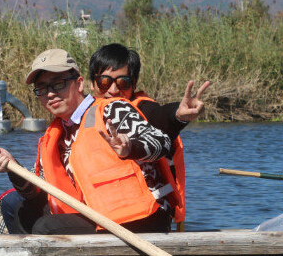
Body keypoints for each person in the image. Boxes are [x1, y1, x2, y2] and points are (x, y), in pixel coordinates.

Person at [0, 48, 179, 235]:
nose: (50, 93)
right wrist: (12, 167)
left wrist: (130, 148)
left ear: (79, 83)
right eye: (42, 87)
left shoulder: (112, 110)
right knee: (18, 208)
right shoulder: (54, 135)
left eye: (58, 83)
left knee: (46, 227)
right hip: (97, 216)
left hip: (142, 217)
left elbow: (162, 142)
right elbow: (36, 195)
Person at [87, 43, 210, 230]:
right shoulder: (82, 116)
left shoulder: (140, 109)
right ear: (91, 83)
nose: (113, 90)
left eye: (122, 82)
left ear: (134, 84)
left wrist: (178, 115)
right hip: (104, 212)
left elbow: (160, 116)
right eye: (105, 82)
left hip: (147, 214)